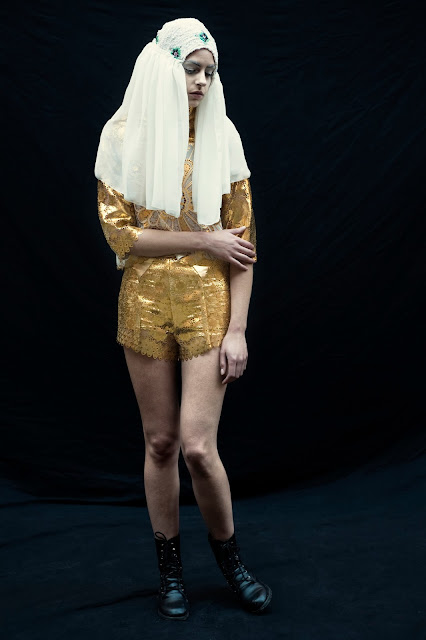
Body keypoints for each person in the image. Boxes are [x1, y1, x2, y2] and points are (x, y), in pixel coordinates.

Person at [95, 17, 272, 620]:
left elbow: (243, 247)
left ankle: (231, 562)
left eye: (209, 72)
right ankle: (169, 572)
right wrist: (204, 240)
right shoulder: (123, 136)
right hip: (144, 304)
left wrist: (238, 331)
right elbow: (121, 236)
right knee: (161, 442)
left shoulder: (223, 136)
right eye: (191, 69)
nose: (201, 82)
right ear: (163, 69)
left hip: (207, 306)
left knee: (198, 447)